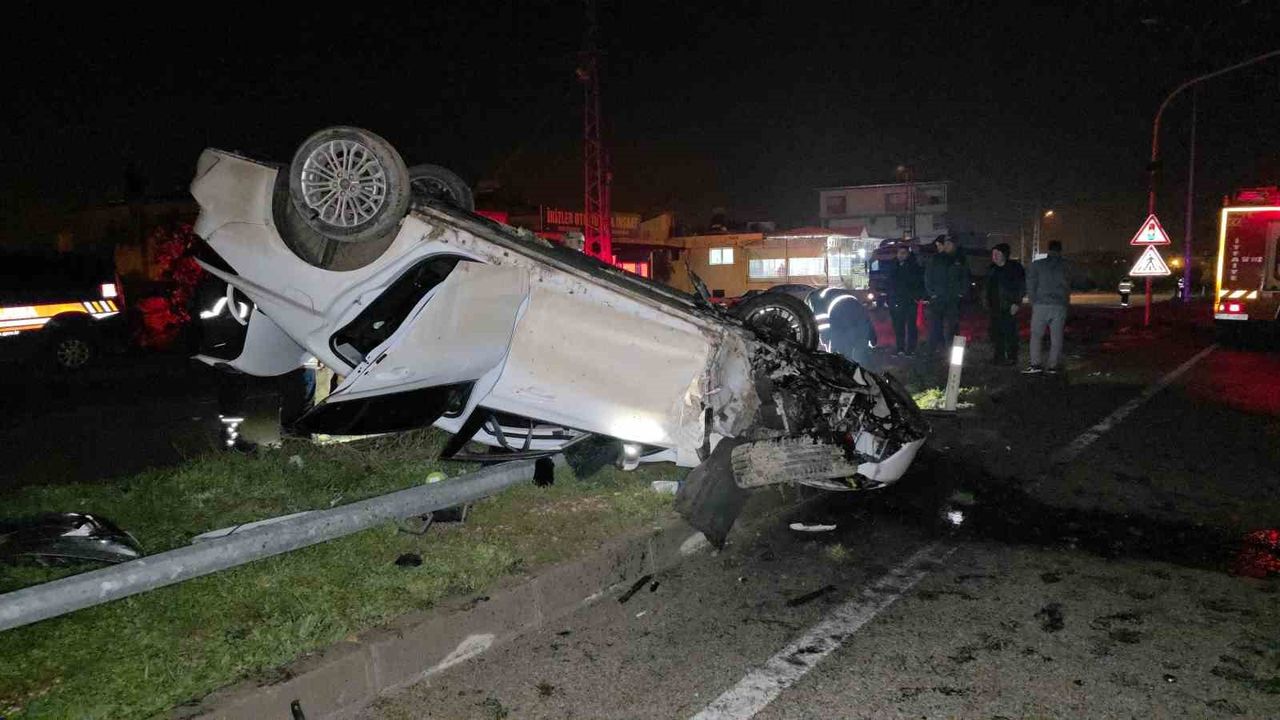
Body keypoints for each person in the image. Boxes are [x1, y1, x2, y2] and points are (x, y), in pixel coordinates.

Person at [1024, 240, 1070, 375]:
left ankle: (1035, 364)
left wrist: (1033, 301)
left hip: (1041, 304)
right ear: (1060, 250)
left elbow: (1031, 284)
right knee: (1057, 337)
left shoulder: (1038, 265)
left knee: (1036, 336)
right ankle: (1053, 366)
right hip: (1059, 305)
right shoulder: (1066, 266)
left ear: (1048, 250)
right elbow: (1071, 283)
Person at [806, 288, 877, 368]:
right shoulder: (829, 292)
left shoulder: (814, 300)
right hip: (854, 310)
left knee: (839, 356)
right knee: (862, 349)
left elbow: (822, 323)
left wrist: (826, 343)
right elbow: (865, 319)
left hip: (839, 316)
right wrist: (873, 338)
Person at [924, 235, 968, 354]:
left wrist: (961, 293)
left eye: (950, 244)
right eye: (946, 243)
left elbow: (965, 277)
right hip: (938, 298)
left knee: (953, 327)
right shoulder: (936, 259)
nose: (947, 246)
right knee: (935, 327)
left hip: (953, 299)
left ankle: (954, 355)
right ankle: (933, 351)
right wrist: (932, 293)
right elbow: (928, 277)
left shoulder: (960, 259)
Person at [985, 243, 1025, 365]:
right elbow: (987, 287)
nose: (994, 256)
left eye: (997, 254)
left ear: (1004, 255)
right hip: (994, 307)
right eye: (993, 254)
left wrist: (1016, 302)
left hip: (1008, 306)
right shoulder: (992, 269)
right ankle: (999, 356)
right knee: (996, 332)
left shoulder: (1015, 268)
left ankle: (1012, 357)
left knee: (1010, 332)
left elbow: (1021, 286)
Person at [886, 245, 925, 355]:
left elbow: (919, 282)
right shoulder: (893, 266)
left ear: (908, 254)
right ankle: (900, 348)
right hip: (896, 301)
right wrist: (889, 298)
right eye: (900, 253)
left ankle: (911, 349)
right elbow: (889, 283)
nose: (901, 255)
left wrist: (917, 297)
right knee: (898, 326)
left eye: (904, 253)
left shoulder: (913, 266)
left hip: (910, 301)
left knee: (911, 326)